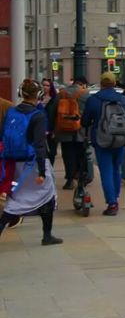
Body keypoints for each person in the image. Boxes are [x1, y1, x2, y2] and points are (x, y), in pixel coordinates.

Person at [0, 80, 61, 246]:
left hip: (15, 163)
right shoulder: (38, 115)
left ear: (21, 94)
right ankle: (47, 236)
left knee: (16, 198)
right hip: (33, 163)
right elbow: (39, 144)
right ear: (39, 95)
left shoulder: (11, 112)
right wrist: (42, 171)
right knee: (48, 196)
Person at [83, 72, 125, 216]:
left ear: (101, 83)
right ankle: (115, 197)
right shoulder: (123, 99)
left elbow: (85, 121)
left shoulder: (94, 100)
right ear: (114, 83)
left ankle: (112, 203)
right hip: (120, 140)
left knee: (106, 172)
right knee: (116, 169)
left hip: (102, 140)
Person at [52, 76, 90, 190]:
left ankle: (69, 180)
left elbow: (53, 111)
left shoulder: (61, 94)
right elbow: (90, 111)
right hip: (80, 130)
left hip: (64, 130)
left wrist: (53, 128)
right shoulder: (85, 94)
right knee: (81, 153)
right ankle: (81, 177)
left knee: (68, 154)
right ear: (83, 84)